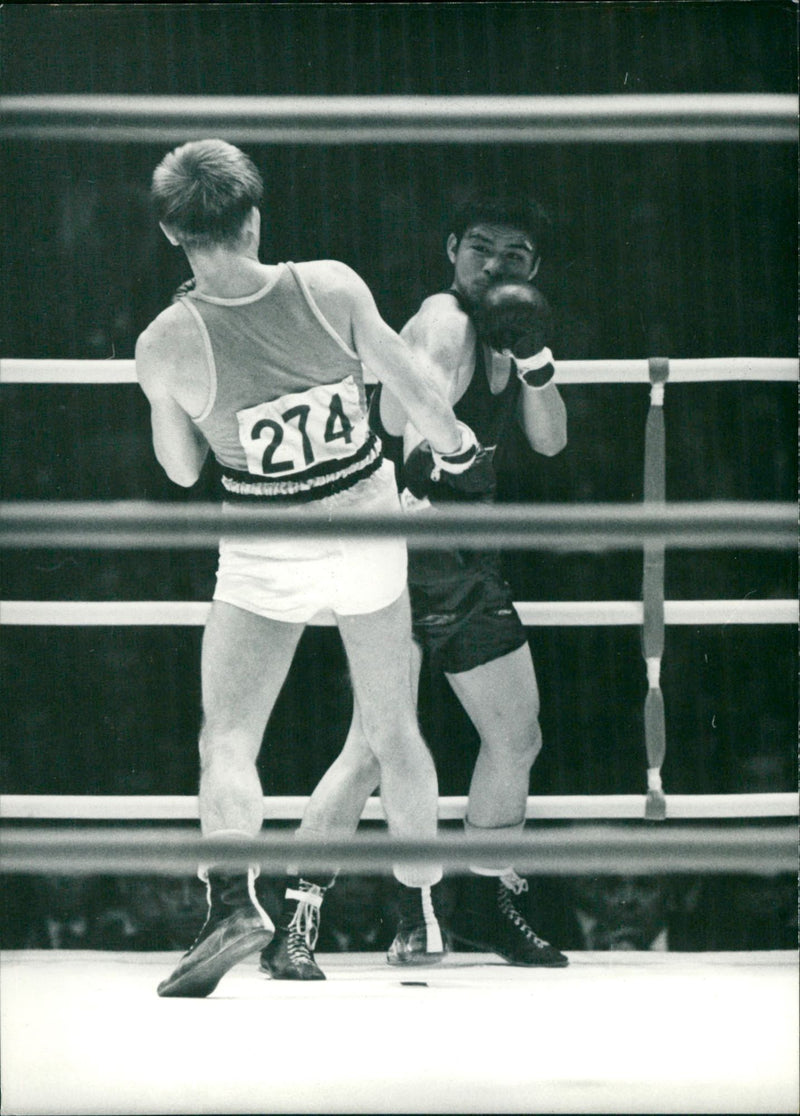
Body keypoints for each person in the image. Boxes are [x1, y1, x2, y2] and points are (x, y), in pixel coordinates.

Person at [135, 140, 492, 996]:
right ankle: (421, 908)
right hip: (366, 527)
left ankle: (231, 899)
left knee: (227, 735)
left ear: (170, 232)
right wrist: (458, 450)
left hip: (264, 545)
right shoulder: (330, 286)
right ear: (254, 218)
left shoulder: (166, 342)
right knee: (390, 726)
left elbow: (182, 471)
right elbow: (421, 398)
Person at [292, 196, 570, 968]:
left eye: (515, 255)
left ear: (533, 269)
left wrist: (536, 359)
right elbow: (421, 406)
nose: (495, 266)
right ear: (451, 250)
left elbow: (550, 440)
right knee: (377, 745)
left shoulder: (507, 328)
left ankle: (480, 900)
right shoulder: (444, 319)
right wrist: (436, 456)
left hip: (460, 556)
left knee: (514, 734)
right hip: (419, 543)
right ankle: (299, 913)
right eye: (481, 248)